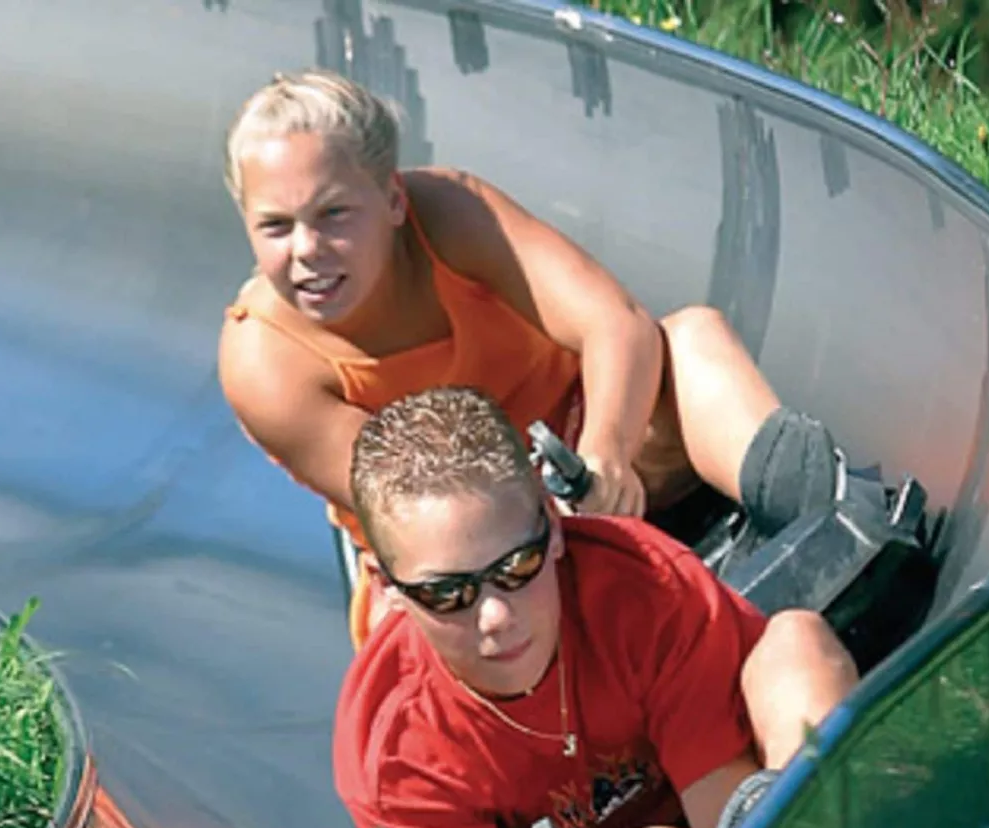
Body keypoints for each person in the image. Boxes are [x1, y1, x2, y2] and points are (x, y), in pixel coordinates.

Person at [308, 386, 859, 828]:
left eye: (517, 567)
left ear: (554, 526)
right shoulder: (393, 752)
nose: (495, 618)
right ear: (386, 588)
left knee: (796, 645)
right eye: (447, 594)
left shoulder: (642, 588)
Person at [217, 69, 848, 647]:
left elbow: (615, 323)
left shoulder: (451, 215)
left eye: (334, 215)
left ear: (393, 201)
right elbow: (416, 507)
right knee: (415, 606)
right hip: (478, 556)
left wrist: (604, 449)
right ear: (245, 226)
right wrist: (548, 517)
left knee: (690, 338)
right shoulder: (265, 363)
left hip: (591, 466)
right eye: (276, 226)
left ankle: (821, 523)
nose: (307, 251)